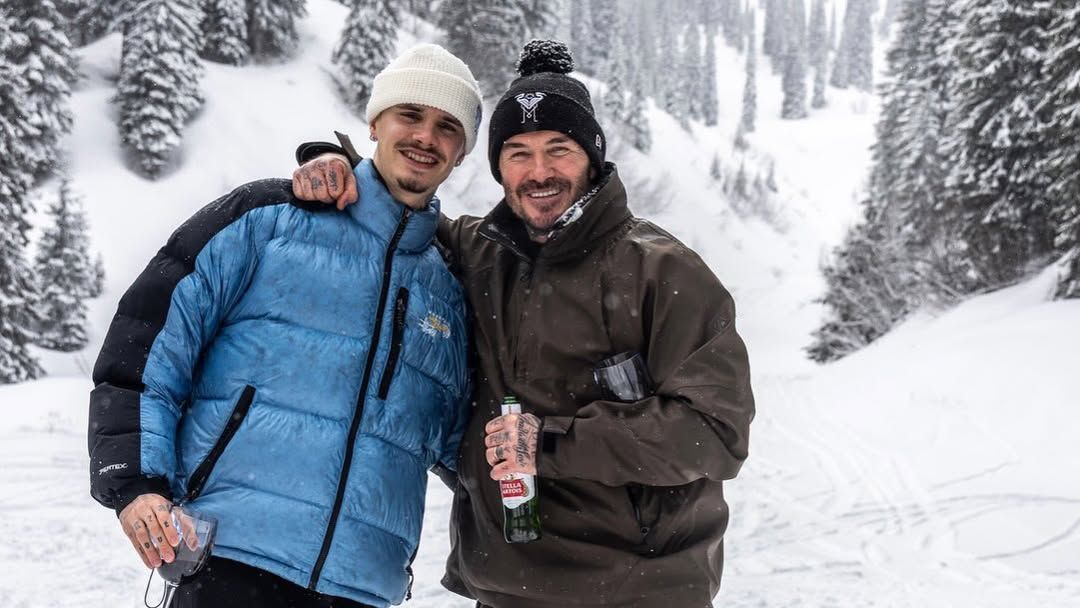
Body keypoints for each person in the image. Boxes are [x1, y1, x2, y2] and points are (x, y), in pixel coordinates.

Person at [292, 40, 755, 608]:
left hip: (638, 589)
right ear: (497, 166)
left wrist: (553, 442)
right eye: (518, 152)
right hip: (503, 587)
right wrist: (332, 163)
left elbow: (715, 431)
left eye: (558, 149)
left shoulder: (658, 270)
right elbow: (391, 204)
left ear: (592, 157)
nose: (540, 172)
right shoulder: (475, 254)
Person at [87, 44, 482, 608]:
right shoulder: (269, 220)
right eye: (411, 115)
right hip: (230, 559)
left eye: (448, 126)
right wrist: (135, 483)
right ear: (374, 122)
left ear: (461, 151)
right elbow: (148, 344)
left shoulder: (447, 288)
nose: (426, 137)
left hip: (362, 583)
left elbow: (458, 442)